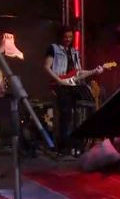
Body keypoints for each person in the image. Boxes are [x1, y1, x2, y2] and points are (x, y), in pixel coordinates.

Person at [43, 25, 102, 155]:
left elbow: (78, 72)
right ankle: (63, 146)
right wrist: (59, 80)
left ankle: (81, 141)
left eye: (70, 37)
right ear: (60, 37)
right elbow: (46, 67)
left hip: (72, 85)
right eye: (66, 37)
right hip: (59, 84)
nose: (68, 39)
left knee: (88, 105)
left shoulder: (74, 52)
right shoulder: (53, 48)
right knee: (66, 114)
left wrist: (94, 71)